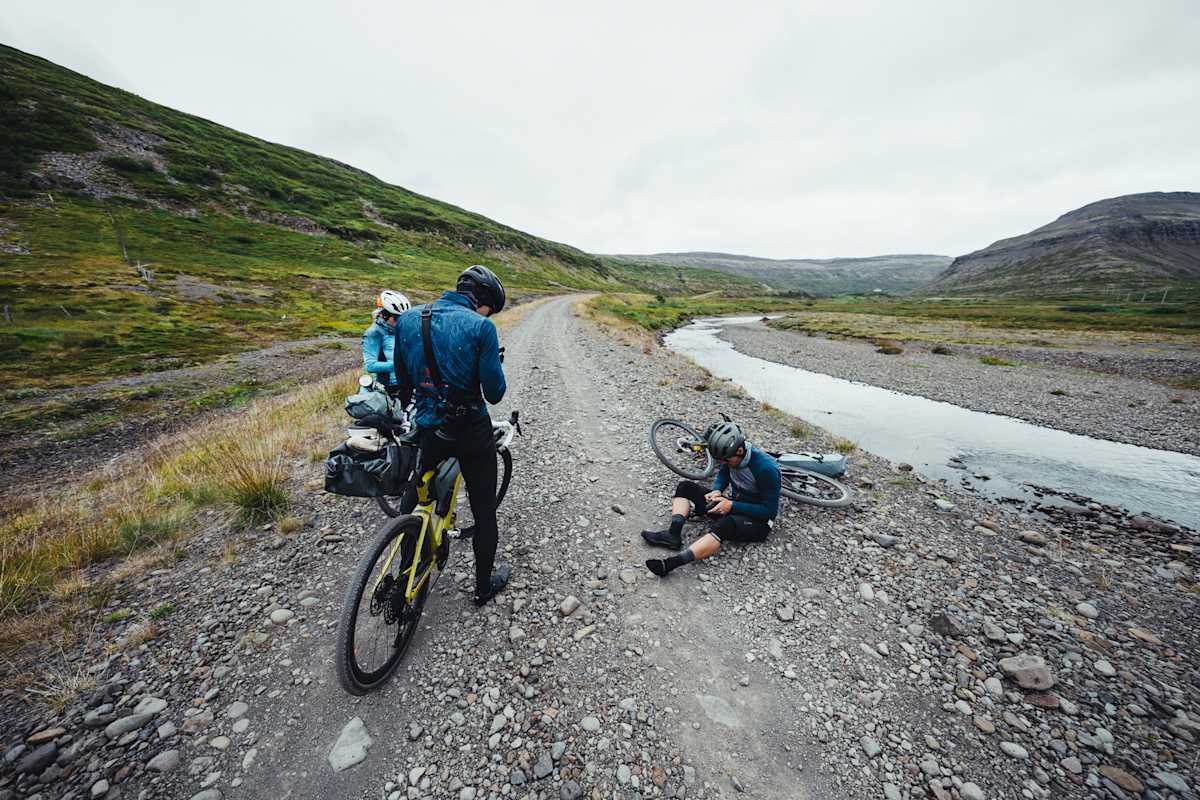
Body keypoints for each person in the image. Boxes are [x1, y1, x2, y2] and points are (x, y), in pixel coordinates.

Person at [393, 265, 510, 606]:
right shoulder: (481, 327)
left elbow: (404, 381)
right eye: (490, 308)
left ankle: (405, 569)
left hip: (430, 428)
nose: (488, 314)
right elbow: (495, 393)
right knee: (484, 510)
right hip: (471, 431)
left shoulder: (408, 320)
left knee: (415, 494)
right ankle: (483, 586)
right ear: (483, 301)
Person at [641, 419, 781, 576]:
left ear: (740, 451)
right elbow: (723, 472)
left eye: (726, 460)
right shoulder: (730, 455)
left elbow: (769, 511)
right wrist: (717, 490)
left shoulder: (766, 469)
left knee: (725, 525)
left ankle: (670, 564)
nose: (723, 463)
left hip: (759, 523)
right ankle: (673, 535)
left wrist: (732, 506)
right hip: (733, 504)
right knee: (685, 487)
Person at [362, 290, 411, 392]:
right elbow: (370, 366)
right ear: (385, 315)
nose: (401, 322)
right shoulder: (374, 333)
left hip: (407, 382)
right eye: (397, 318)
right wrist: (400, 364)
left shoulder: (401, 330)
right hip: (387, 387)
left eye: (404, 318)